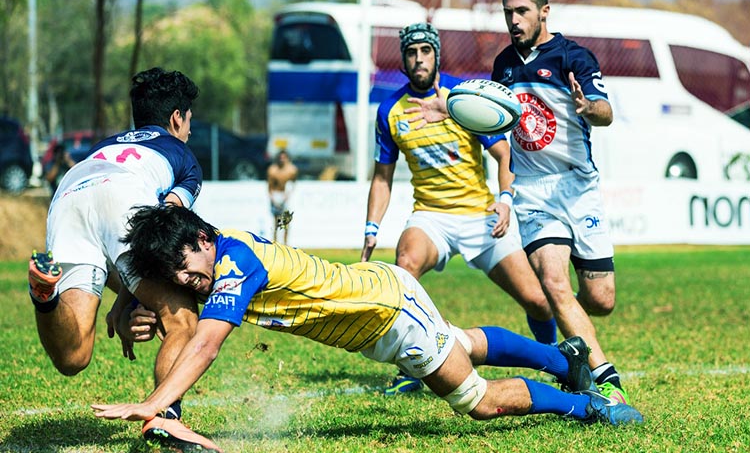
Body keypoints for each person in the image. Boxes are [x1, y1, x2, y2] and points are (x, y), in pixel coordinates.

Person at [91, 205, 643, 452]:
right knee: (464, 343)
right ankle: (565, 363)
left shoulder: (234, 265)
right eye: (177, 276)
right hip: (376, 299)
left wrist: (155, 403)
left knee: (475, 399)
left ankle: (588, 407)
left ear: (202, 240)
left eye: (187, 267)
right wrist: (139, 310)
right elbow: (184, 317)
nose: (187, 280)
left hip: (388, 316)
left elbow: (206, 344)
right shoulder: (217, 253)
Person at [361, 22, 556, 395]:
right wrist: (372, 229)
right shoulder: (390, 110)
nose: (419, 59)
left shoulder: (464, 98)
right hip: (431, 216)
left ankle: (552, 356)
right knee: (406, 267)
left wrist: (505, 200)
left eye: (425, 51)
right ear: (403, 60)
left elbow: (504, 155)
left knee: (537, 301)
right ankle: (412, 366)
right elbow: (382, 177)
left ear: (436, 55)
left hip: (481, 216)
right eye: (411, 52)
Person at [28, 67, 213, 448]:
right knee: (181, 318)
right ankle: (165, 417)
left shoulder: (107, 143)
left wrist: (127, 301)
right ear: (177, 117)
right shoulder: (183, 155)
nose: (190, 129)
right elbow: (160, 233)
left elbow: (126, 246)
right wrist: (129, 304)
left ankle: (45, 296)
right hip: (124, 195)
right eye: (189, 119)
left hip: (70, 190)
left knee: (73, 355)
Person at [491, 0, 627, 403]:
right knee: (553, 282)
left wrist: (589, 107)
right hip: (533, 189)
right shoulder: (503, 65)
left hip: (577, 187)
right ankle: (605, 378)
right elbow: (499, 127)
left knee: (600, 299)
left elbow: (605, 111)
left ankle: (576, 339)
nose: (514, 21)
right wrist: (508, 193)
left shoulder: (573, 56)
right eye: (508, 13)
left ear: (544, 12)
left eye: (522, 12)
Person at [266, 149, 298, 244]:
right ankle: (275, 243)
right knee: (276, 222)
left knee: (286, 221)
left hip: (285, 196)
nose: (282, 160)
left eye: (284, 158)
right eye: (281, 158)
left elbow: (293, 184)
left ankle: (285, 244)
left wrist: (287, 195)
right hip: (276, 195)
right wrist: (272, 198)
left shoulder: (292, 170)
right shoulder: (273, 170)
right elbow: (269, 186)